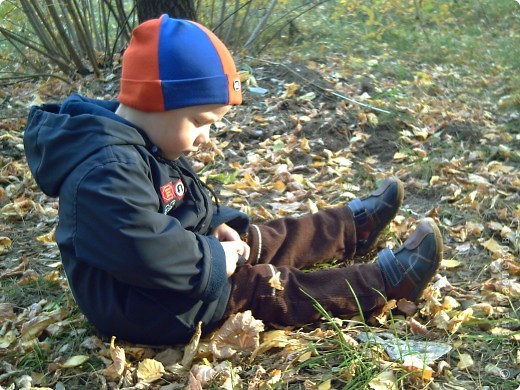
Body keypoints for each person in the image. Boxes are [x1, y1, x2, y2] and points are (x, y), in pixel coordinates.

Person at [23, 15, 443, 346]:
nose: (205, 137)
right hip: (145, 304)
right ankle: (385, 283)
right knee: (260, 287)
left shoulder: (146, 140)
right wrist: (216, 258)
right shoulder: (104, 169)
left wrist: (215, 224)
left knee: (260, 238)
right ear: (155, 102)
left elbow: (179, 200)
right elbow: (143, 248)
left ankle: (352, 227)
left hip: (176, 269)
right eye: (200, 122)